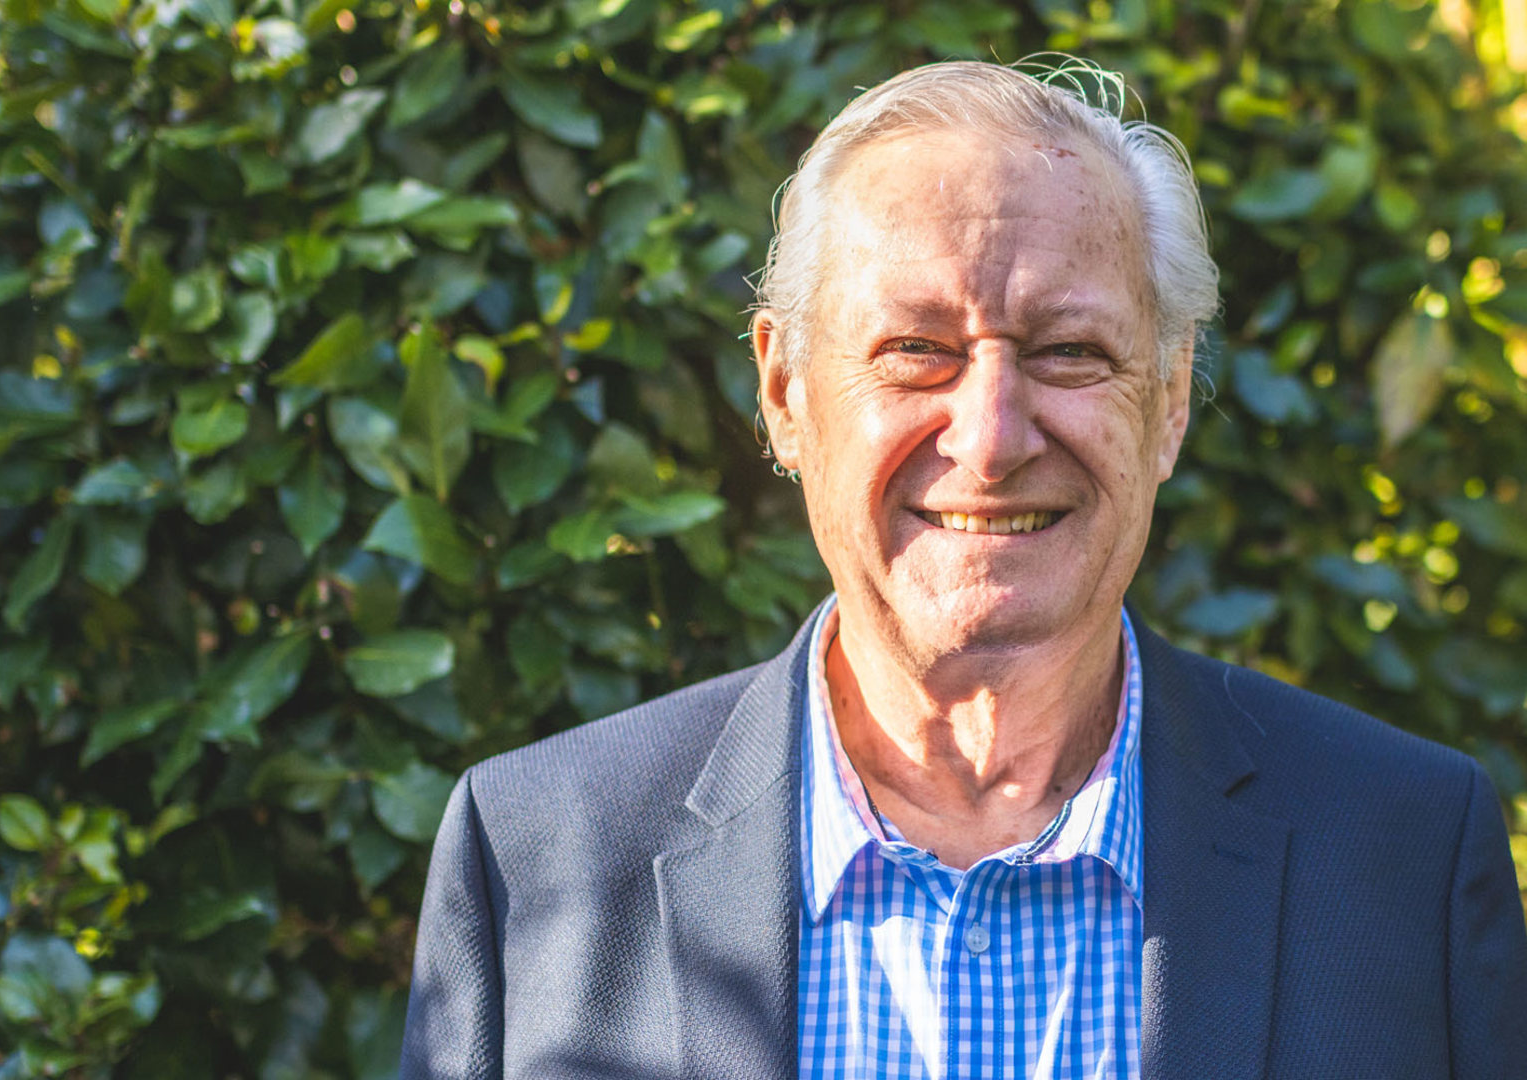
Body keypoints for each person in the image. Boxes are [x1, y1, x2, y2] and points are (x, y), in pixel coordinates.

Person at [400, 60, 1527, 1079]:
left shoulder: (1403, 855)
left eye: (1069, 352)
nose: (990, 438)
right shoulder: (539, 859)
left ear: (1170, 397)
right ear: (785, 391)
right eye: (915, 352)